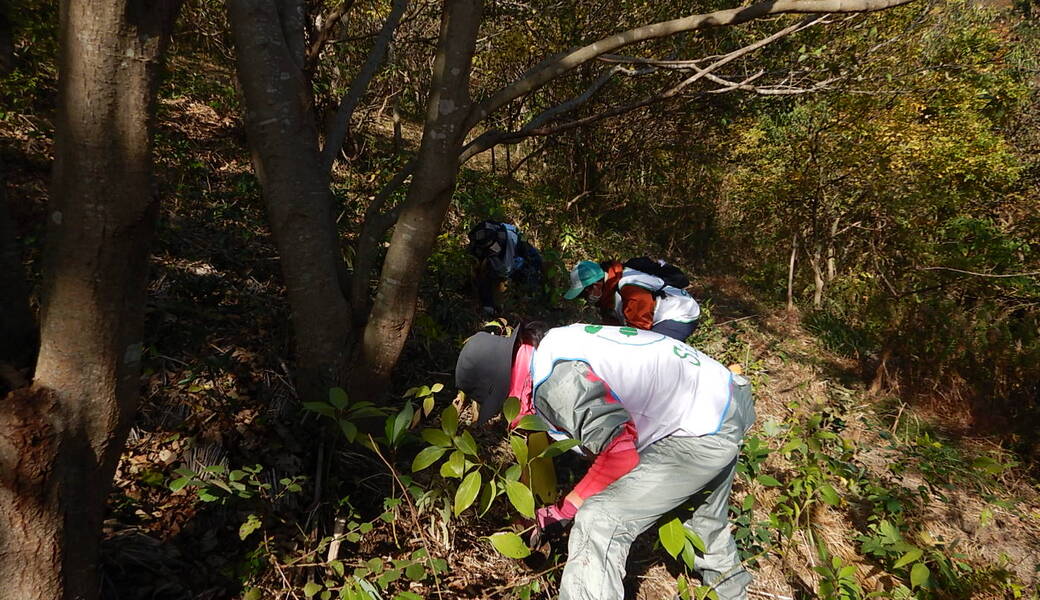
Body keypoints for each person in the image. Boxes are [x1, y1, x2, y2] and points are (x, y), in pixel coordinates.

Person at [455, 321, 755, 600]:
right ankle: (731, 592)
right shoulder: (554, 345)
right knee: (704, 522)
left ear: (500, 382)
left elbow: (619, 454)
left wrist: (563, 511)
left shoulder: (555, 383)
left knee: (598, 520)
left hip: (700, 428)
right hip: (723, 398)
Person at [563, 259, 700, 341]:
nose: (586, 299)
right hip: (655, 316)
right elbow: (612, 327)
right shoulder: (607, 294)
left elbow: (639, 332)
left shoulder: (630, 287)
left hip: (680, 313)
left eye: (584, 294)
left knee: (651, 352)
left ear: (596, 285)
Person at [467, 220, 543, 315]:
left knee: (533, 264)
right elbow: (475, 264)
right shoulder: (477, 241)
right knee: (484, 275)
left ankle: (528, 300)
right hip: (496, 256)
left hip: (519, 244)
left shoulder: (508, 240)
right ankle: (488, 305)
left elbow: (506, 270)